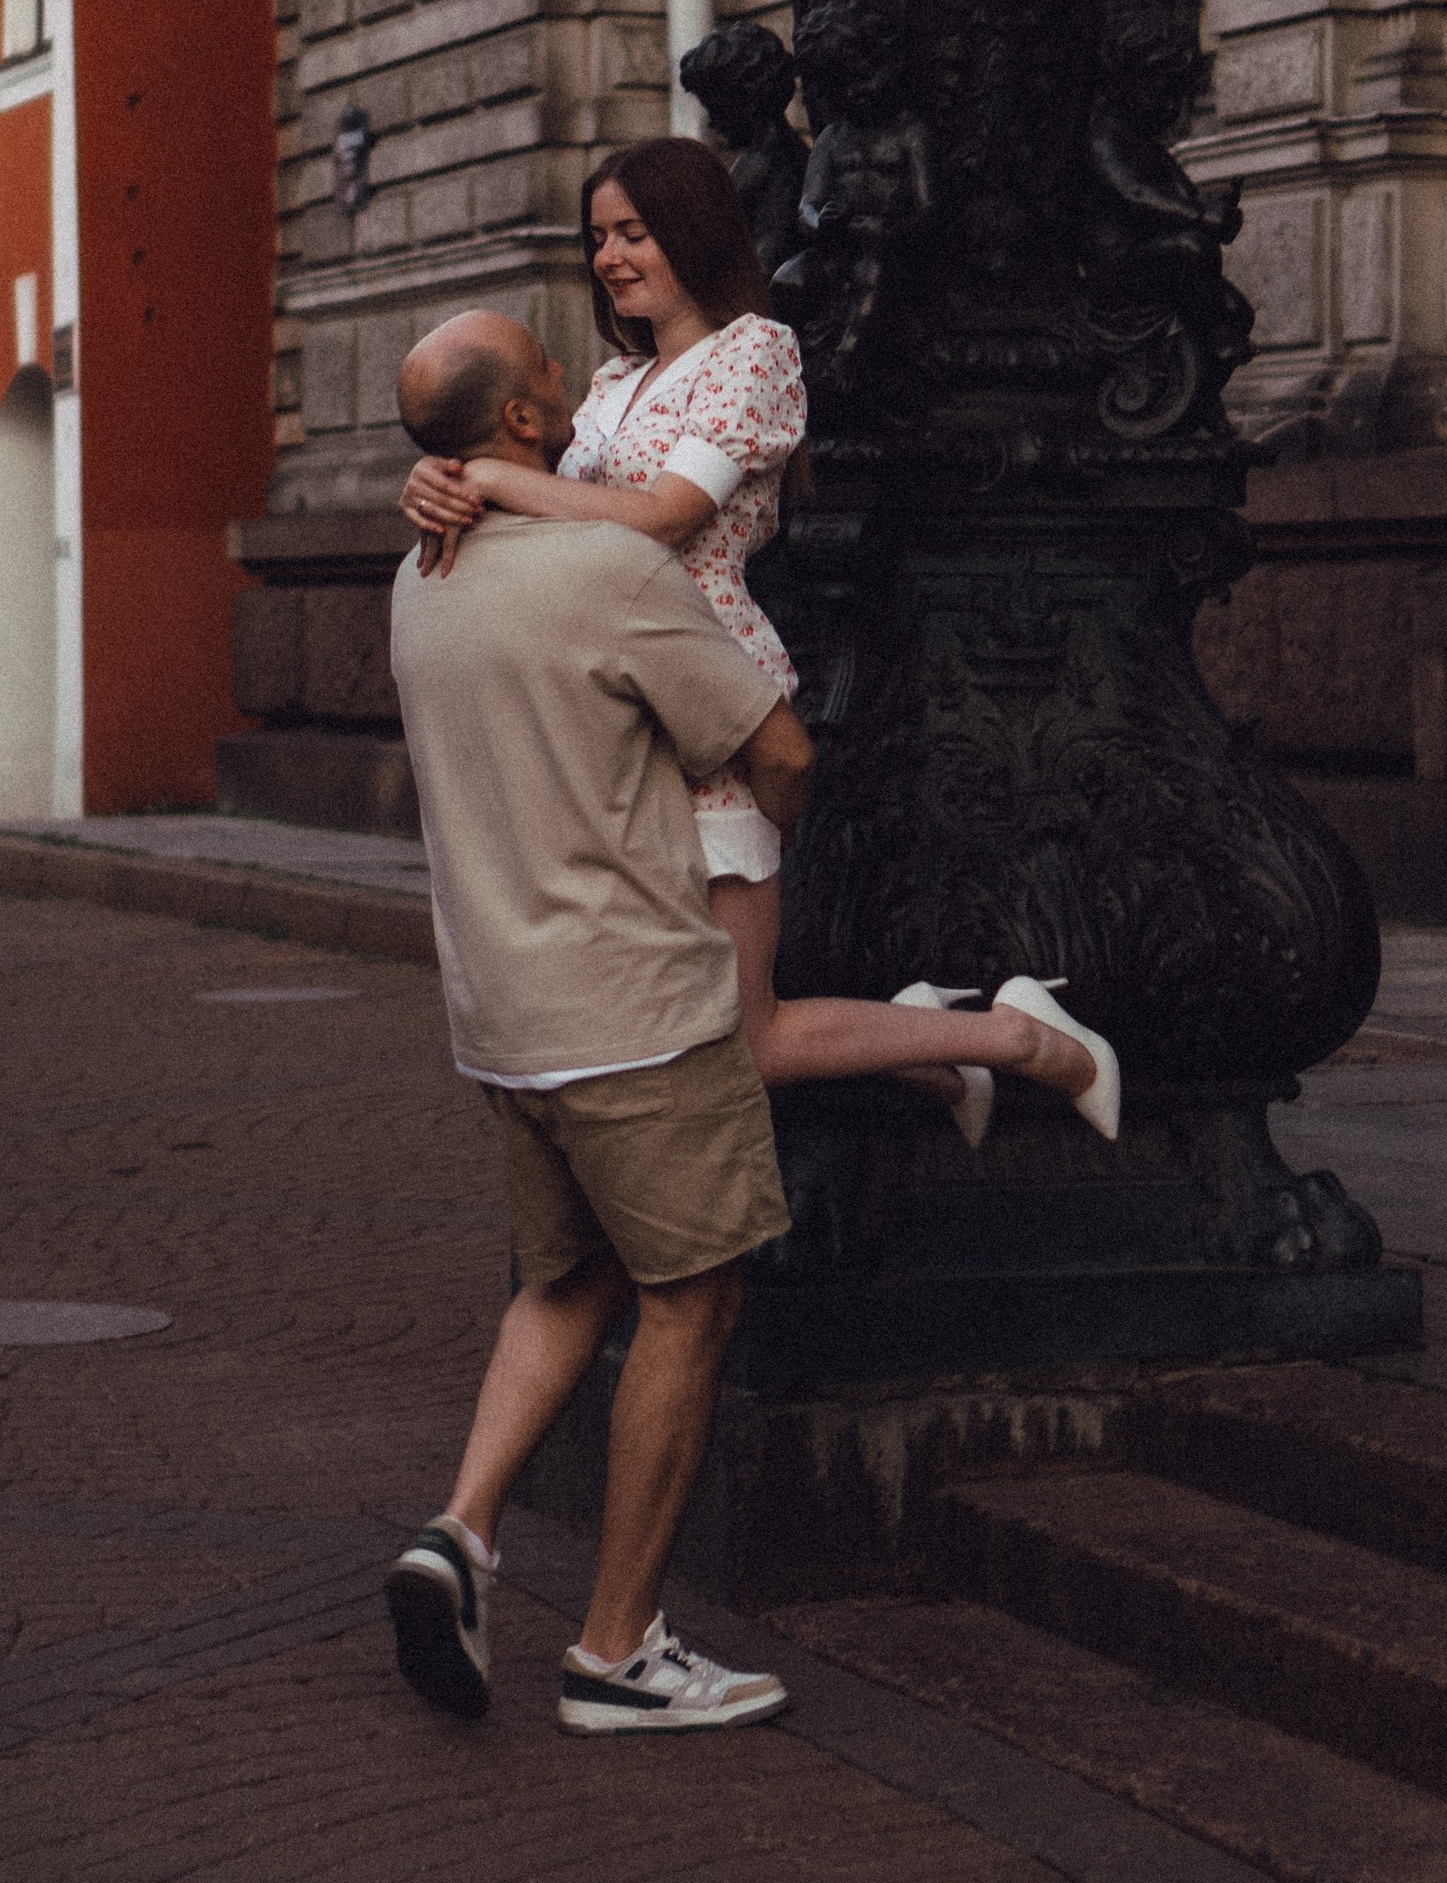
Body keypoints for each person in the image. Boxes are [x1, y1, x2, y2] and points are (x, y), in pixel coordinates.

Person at [400, 139, 1116, 1152]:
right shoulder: (610, 384)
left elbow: (663, 516)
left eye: (633, 232)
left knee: (746, 1036)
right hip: (617, 714)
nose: (608, 257)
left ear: (691, 233)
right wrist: (439, 477)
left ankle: (1022, 1038)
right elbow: (529, 492)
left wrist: (495, 480)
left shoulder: (753, 354)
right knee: (694, 1022)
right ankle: (937, 1052)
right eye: (597, 236)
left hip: (711, 698)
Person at [383, 306, 814, 1737]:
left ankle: (459, 1533)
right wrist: (767, 835)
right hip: (639, 1009)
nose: (571, 377)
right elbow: (776, 746)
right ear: (520, 420)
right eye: (548, 369)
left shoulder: (418, 579)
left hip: (502, 1014)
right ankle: (617, 1652)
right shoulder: (612, 571)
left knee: (566, 1281)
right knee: (692, 1299)